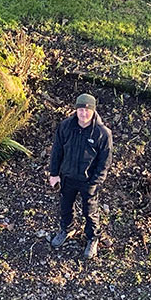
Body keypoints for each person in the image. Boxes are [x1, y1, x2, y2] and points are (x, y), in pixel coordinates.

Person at [48, 93, 113, 259]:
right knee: (65, 206)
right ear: (76, 109)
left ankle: (92, 238)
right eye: (80, 109)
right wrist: (54, 173)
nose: (84, 113)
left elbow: (105, 162)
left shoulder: (102, 133)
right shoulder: (65, 126)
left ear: (93, 111)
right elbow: (57, 151)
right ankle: (67, 229)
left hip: (88, 181)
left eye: (87, 110)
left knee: (90, 211)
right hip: (67, 177)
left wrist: (95, 182)